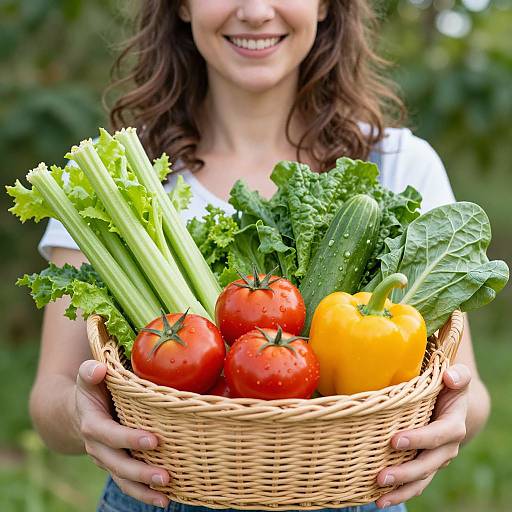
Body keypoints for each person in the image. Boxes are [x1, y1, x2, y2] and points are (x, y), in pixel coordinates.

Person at [30, 1, 490, 511]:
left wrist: (455, 417)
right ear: (181, 6)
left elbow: (468, 389)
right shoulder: (117, 177)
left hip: (352, 494)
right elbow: (50, 396)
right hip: (161, 491)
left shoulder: (400, 162)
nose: (254, 11)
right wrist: (80, 415)